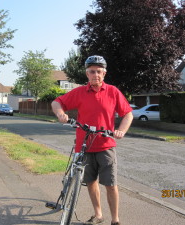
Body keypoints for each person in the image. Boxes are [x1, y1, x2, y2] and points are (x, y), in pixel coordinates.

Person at [51, 55, 133, 225]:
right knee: (90, 182)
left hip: (106, 146)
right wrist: (60, 114)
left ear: (104, 73)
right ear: (87, 73)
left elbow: (127, 114)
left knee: (110, 184)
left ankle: (115, 219)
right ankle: (98, 214)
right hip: (84, 146)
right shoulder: (80, 92)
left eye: (98, 71)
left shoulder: (113, 91)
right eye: (91, 71)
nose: (95, 74)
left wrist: (121, 131)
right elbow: (57, 102)